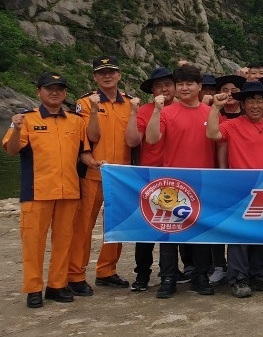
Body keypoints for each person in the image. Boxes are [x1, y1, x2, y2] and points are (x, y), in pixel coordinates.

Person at [3, 72, 100, 308]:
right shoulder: (25, 119)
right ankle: (33, 288)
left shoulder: (76, 121)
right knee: (33, 243)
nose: (54, 92)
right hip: (37, 191)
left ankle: (57, 285)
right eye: (49, 88)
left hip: (69, 191)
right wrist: (16, 129)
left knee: (64, 241)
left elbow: (83, 152)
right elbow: (12, 150)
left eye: (59, 89)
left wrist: (96, 163)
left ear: (65, 93)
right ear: (39, 92)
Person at [145, 63, 217, 299]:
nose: (185, 88)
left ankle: (200, 276)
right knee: (169, 232)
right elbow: (152, 139)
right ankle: (168, 278)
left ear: (199, 86)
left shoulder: (210, 113)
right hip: (173, 182)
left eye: (189, 84)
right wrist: (156, 111)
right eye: (180, 84)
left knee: (201, 231)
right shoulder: (167, 112)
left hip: (203, 180)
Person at [207, 83, 263, 297]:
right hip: (239, 190)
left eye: (259, 101)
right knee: (239, 236)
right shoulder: (232, 125)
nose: (255, 106)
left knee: (261, 234)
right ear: (243, 104)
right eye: (250, 101)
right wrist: (215, 107)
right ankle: (238, 279)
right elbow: (212, 133)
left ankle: (259, 276)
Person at [68, 56, 135, 295]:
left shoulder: (130, 103)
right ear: (95, 77)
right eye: (102, 72)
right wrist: (95, 110)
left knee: (115, 224)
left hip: (121, 175)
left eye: (111, 72)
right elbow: (91, 137)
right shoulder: (85, 103)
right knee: (83, 225)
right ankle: (75, 274)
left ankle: (107, 270)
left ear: (119, 75)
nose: (107, 76)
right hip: (93, 172)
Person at [124, 66, 174, 291]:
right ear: (152, 90)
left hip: (177, 174)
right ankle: (142, 273)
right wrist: (133, 114)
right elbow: (133, 141)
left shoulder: (183, 109)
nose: (164, 89)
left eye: (168, 85)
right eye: (158, 86)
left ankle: (172, 272)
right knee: (146, 227)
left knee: (174, 225)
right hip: (149, 175)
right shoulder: (145, 110)